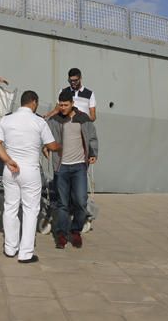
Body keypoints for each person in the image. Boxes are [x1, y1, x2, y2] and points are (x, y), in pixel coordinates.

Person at [0, 90, 59, 263]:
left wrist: (8, 160)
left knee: (10, 208)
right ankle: (25, 253)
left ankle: (10, 248)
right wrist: (60, 146)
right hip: (30, 171)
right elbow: (51, 145)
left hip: (11, 169)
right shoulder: (39, 122)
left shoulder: (7, 119)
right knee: (30, 210)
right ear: (34, 102)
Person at [45, 89, 99, 249]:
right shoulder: (54, 120)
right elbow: (46, 135)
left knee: (81, 201)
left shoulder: (83, 119)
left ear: (72, 104)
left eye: (65, 105)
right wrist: (45, 146)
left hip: (79, 167)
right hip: (61, 167)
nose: (62, 108)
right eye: (60, 105)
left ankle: (75, 231)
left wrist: (93, 152)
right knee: (62, 203)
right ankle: (61, 234)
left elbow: (92, 136)